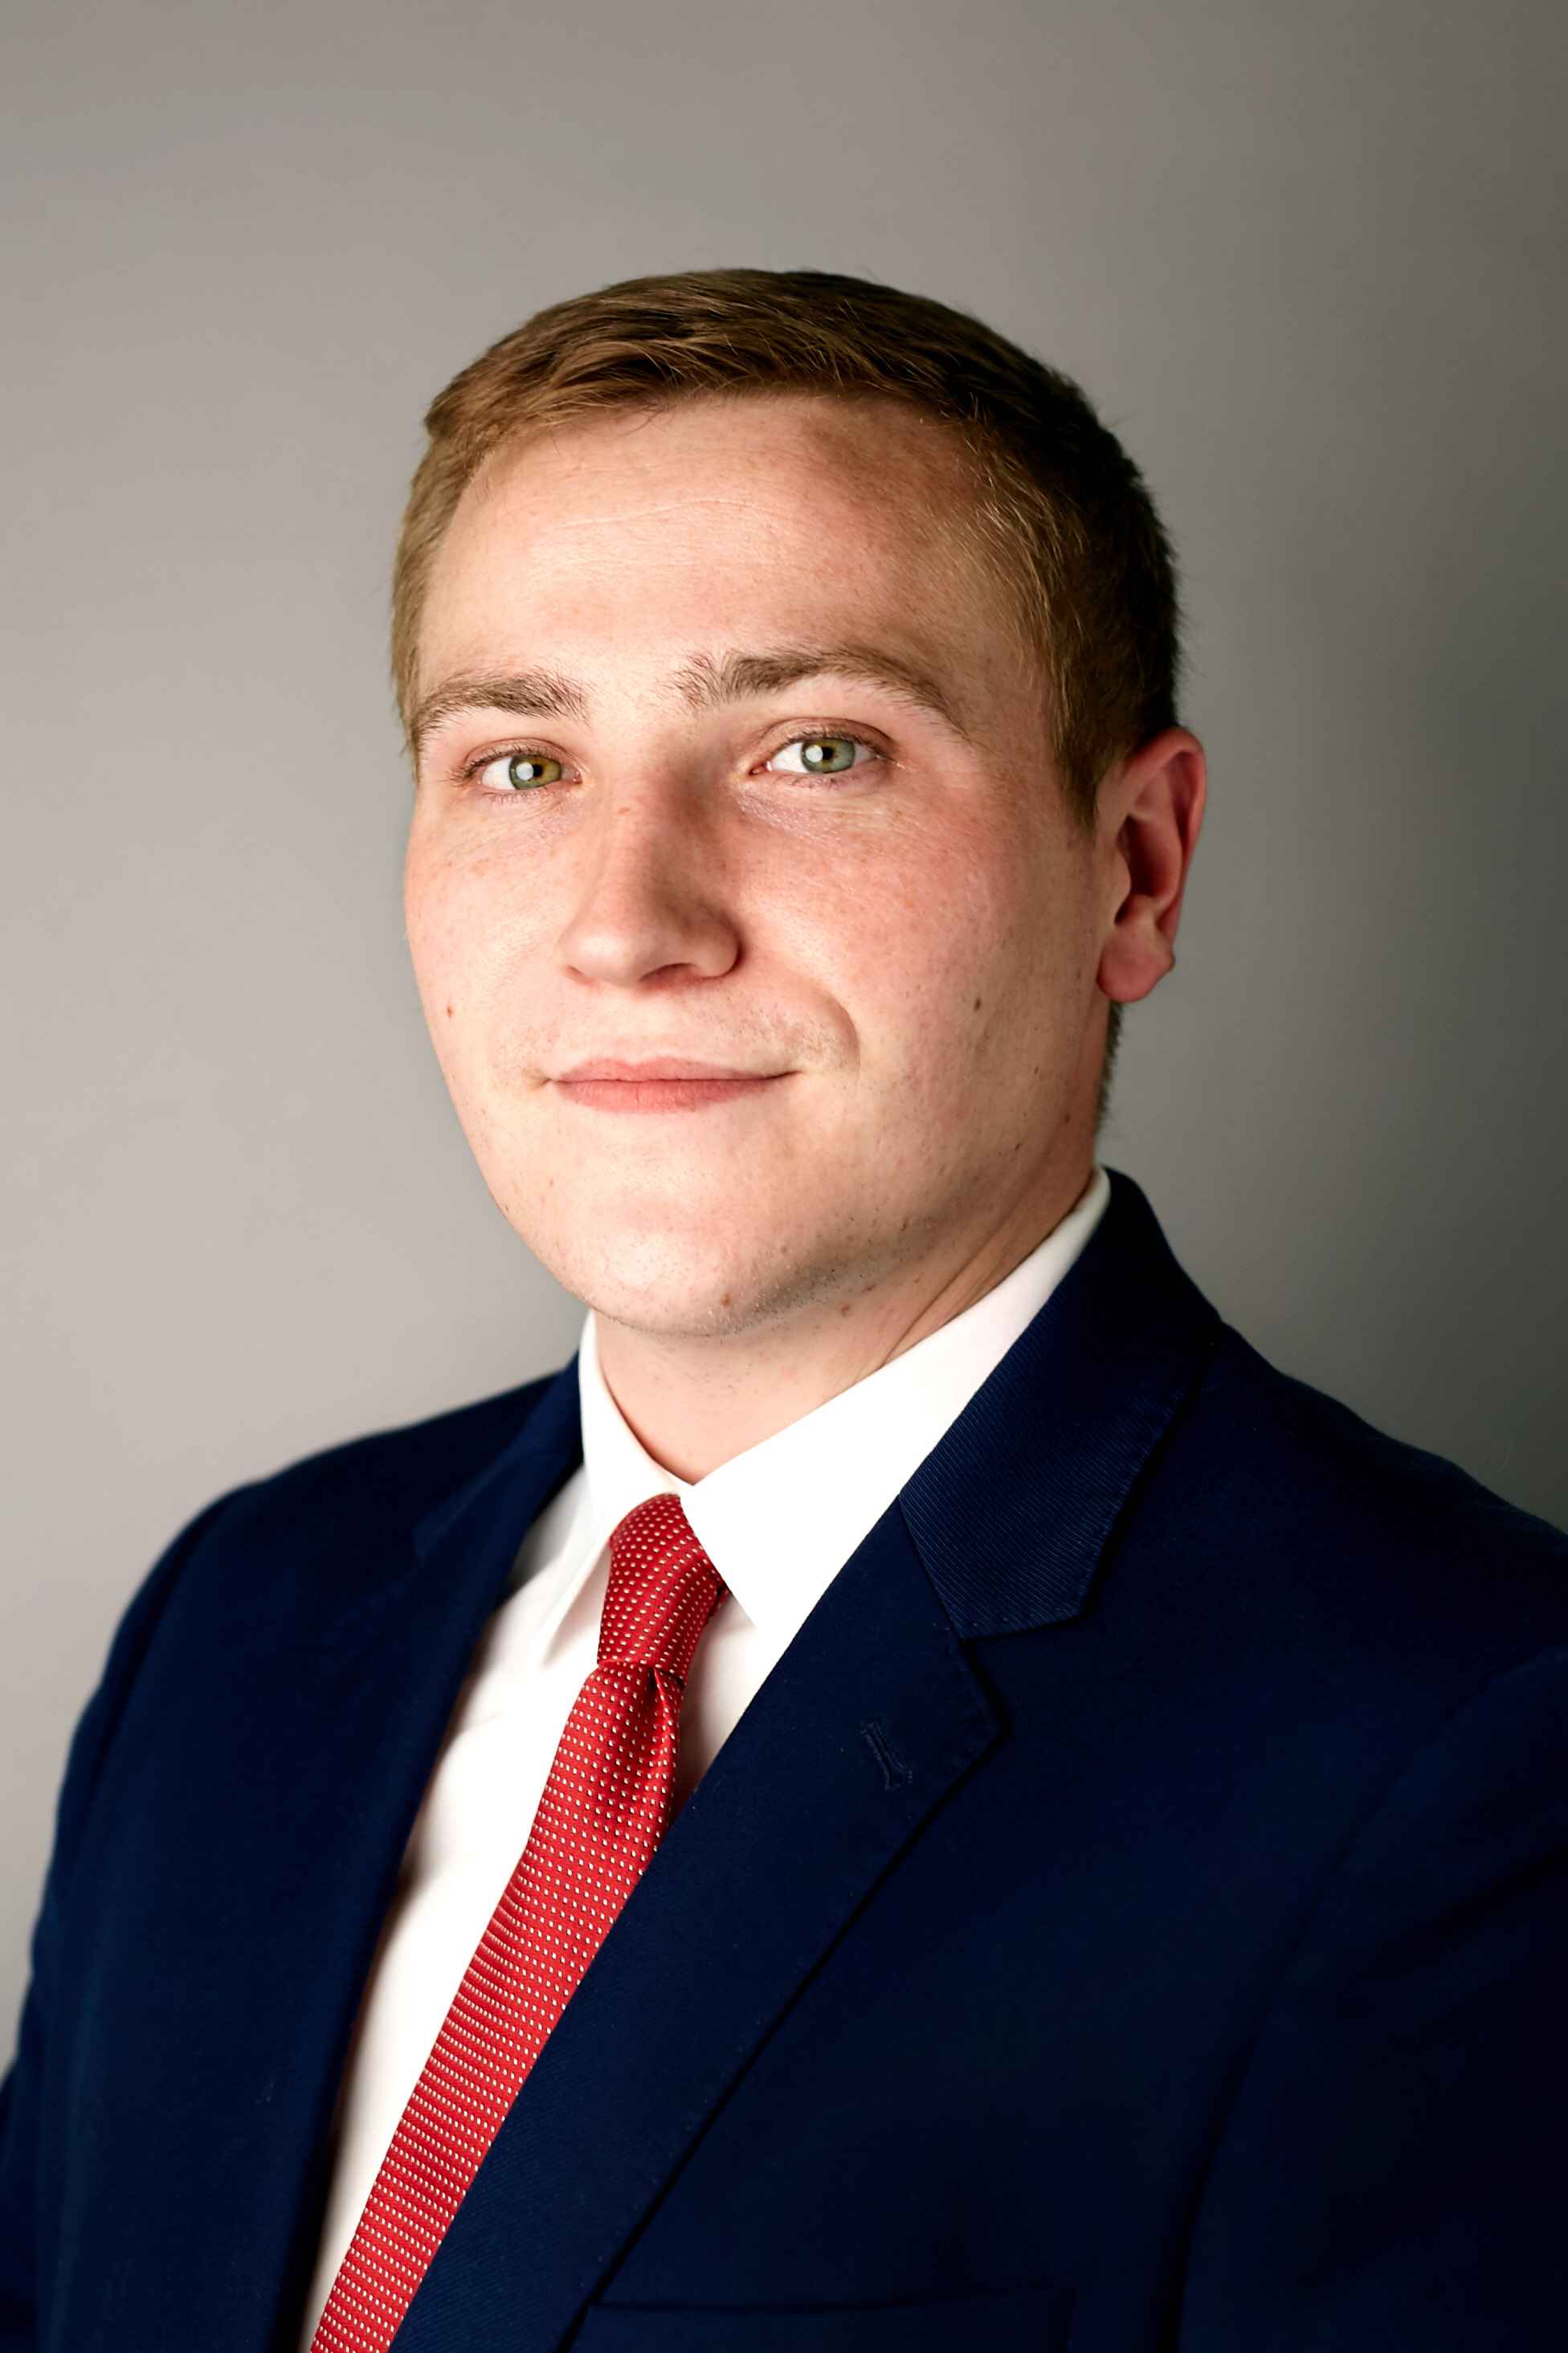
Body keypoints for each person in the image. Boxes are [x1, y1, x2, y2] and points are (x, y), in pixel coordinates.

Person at [2, 267, 1564, 2353]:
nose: (631, 920)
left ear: (1134, 867)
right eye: (519, 762)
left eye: (815, 746)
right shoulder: (242, 1616)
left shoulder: (1474, 1757)